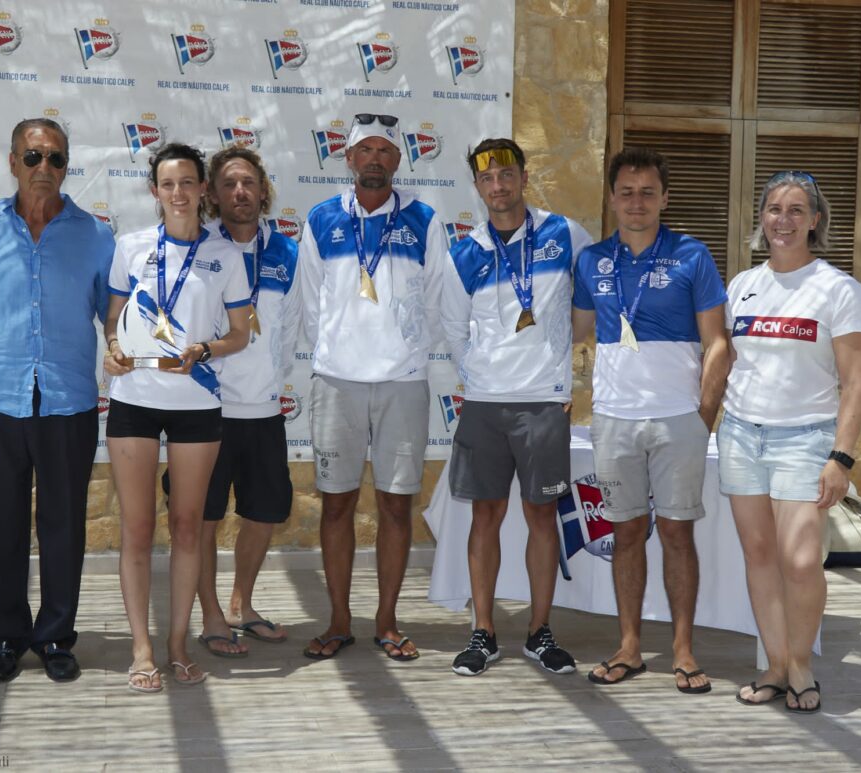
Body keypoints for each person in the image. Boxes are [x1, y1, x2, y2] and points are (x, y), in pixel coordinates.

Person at [0, 118, 115, 683]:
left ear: (67, 165)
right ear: (13, 160)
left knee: (64, 524)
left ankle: (55, 637)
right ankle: (3, 637)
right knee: (1, 523)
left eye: (57, 159)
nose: (45, 168)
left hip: (68, 400)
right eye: (34, 156)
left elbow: (112, 314)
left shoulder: (95, 235)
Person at [572, 147, 729, 693]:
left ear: (664, 198)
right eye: (626, 192)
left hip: (677, 422)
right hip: (614, 422)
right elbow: (575, 333)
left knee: (679, 535)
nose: (636, 202)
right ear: (611, 198)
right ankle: (630, 646)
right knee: (627, 531)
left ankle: (683, 650)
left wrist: (701, 418)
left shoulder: (691, 255)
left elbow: (718, 344)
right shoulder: (591, 260)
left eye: (647, 192)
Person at [719, 171, 861, 713]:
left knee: (801, 560)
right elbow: (728, 362)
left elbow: (856, 383)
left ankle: (802, 664)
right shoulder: (741, 285)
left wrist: (841, 457)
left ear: (815, 221)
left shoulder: (838, 289)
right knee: (760, 556)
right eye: (774, 209)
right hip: (740, 435)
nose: (783, 220)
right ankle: (777, 666)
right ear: (762, 217)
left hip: (806, 440)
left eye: (796, 210)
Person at [104, 143, 252, 691]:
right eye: (168, 184)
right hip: (136, 398)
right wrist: (113, 347)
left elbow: (240, 334)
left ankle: (177, 644)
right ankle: (142, 648)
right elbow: (115, 319)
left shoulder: (225, 255)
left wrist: (205, 351)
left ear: (203, 191)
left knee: (189, 528)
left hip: (196, 402)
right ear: (155, 191)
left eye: (188, 183)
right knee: (138, 530)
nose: (179, 193)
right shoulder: (131, 246)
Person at [442, 138, 593, 677]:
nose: (498, 186)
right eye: (487, 178)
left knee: (541, 516)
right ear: (478, 187)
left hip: (544, 404)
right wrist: (480, 375)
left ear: (524, 178)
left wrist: (558, 365)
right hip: (485, 404)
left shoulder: (565, 234)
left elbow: (587, 305)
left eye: (507, 174)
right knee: (485, 516)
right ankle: (482, 632)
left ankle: (539, 631)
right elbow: (455, 329)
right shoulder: (465, 251)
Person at [297, 113, 445, 660]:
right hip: (337, 381)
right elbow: (310, 304)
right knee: (335, 505)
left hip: (403, 384)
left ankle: (386, 620)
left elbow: (434, 301)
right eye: (366, 151)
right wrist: (340, 349)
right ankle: (338, 620)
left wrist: (400, 352)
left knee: (396, 506)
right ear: (349, 159)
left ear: (399, 162)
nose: (375, 159)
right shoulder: (320, 219)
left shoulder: (425, 220)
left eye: (386, 150)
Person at [160, 145, 300, 657]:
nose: (239, 192)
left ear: (263, 192)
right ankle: (211, 614)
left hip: (263, 409)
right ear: (212, 195)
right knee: (202, 519)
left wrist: (277, 382)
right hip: (206, 410)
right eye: (228, 184)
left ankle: (241, 603)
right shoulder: (200, 248)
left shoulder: (286, 250)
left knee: (263, 512)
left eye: (248, 183)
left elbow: (297, 325)